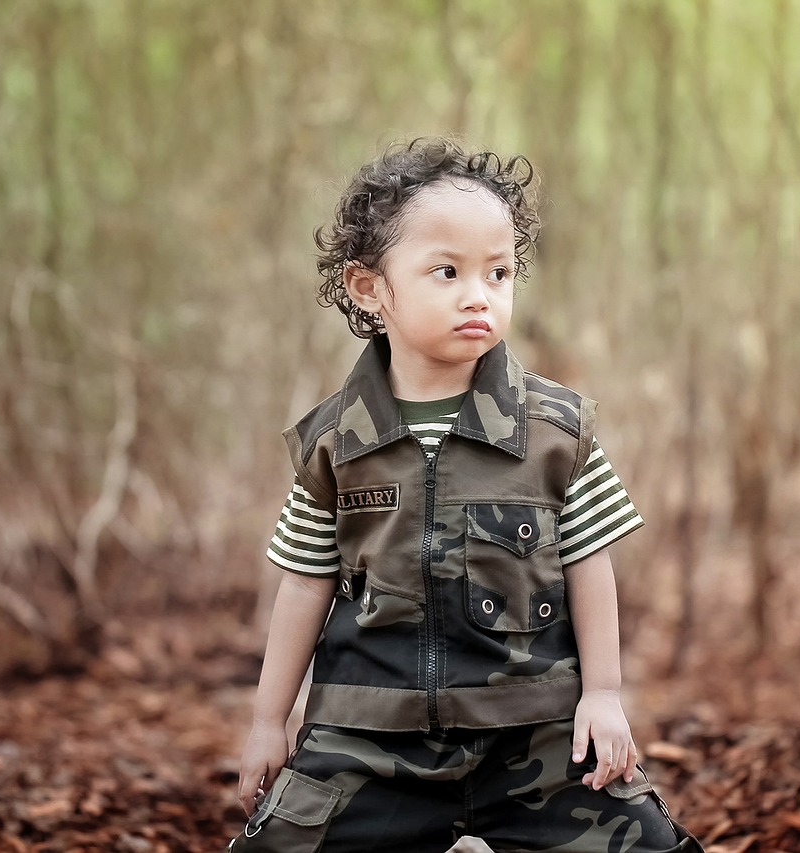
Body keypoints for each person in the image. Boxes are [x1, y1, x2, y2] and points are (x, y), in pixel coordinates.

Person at [228, 137, 700, 852]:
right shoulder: (333, 444)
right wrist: (270, 719)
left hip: (533, 735)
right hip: (369, 738)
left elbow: (589, 564)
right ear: (368, 287)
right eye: (446, 271)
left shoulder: (555, 432)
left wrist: (602, 694)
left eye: (500, 272)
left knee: (650, 843)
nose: (479, 294)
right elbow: (303, 584)